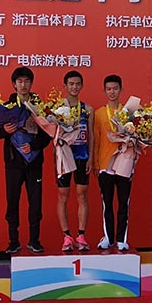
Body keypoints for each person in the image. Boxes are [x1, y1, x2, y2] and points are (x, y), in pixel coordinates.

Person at [0, 66, 51, 254]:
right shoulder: (7, 106)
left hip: (34, 162)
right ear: (14, 84)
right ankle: (13, 240)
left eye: (27, 81)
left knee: (35, 202)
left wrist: (33, 146)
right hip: (13, 163)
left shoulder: (40, 106)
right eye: (20, 81)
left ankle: (35, 240)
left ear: (31, 83)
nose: (23, 84)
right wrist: (4, 130)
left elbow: (49, 133)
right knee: (12, 201)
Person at [92, 74, 132, 251]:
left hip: (124, 164)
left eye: (115, 88)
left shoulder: (129, 113)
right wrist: (95, 162)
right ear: (104, 91)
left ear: (121, 90)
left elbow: (137, 138)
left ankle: (121, 239)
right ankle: (108, 238)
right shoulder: (99, 113)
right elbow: (96, 139)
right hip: (104, 164)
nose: (112, 92)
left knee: (124, 203)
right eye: (109, 89)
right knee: (106, 203)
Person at [57, 70, 94, 252]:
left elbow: (91, 135)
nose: (74, 87)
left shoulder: (88, 109)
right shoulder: (56, 109)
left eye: (78, 84)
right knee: (63, 195)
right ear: (65, 86)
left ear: (82, 86)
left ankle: (81, 235)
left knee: (82, 194)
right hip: (64, 155)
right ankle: (66, 236)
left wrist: (91, 158)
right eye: (71, 84)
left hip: (82, 155)